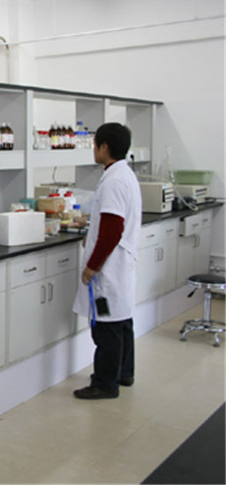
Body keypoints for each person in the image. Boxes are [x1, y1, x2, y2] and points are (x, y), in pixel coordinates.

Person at [72, 123, 142, 400]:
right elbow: (110, 221)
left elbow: (112, 230)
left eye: (95, 145)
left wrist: (92, 266)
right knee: (122, 321)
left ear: (104, 147)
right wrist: (91, 231)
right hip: (122, 263)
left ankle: (104, 383)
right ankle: (124, 373)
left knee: (108, 328)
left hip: (111, 266)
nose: (93, 150)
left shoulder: (113, 180)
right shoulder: (124, 174)